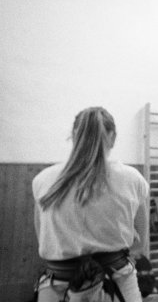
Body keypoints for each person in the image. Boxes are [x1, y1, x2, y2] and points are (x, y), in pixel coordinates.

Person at [32, 107, 149, 301]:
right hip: (116, 282)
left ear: (73, 136)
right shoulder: (132, 179)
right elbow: (140, 243)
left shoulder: (43, 180)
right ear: (113, 137)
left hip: (56, 285)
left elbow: (42, 237)